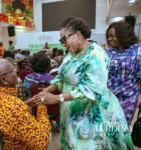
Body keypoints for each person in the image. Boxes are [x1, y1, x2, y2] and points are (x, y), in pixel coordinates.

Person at [28, 17, 134, 149]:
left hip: (91, 114)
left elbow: (92, 89)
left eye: (63, 39)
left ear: (77, 34)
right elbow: (62, 78)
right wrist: (46, 91)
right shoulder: (71, 54)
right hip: (72, 113)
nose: (62, 44)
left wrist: (57, 98)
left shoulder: (96, 54)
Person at [0, 59, 51, 150]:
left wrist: (25, 104)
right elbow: (41, 143)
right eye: (14, 71)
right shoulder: (15, 107)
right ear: (4, 79)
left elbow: (1, 114)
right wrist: (41, 106)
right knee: (48, 135)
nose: (17, 73)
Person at [106, 21, 141, 125]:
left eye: (112, 36)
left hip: (128, 99)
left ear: (123, 35)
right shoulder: (109, 53)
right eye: (108, 36)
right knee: (107, 128)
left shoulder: (137, 52)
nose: (109, 39)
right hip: (109, 98)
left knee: (121, 129)